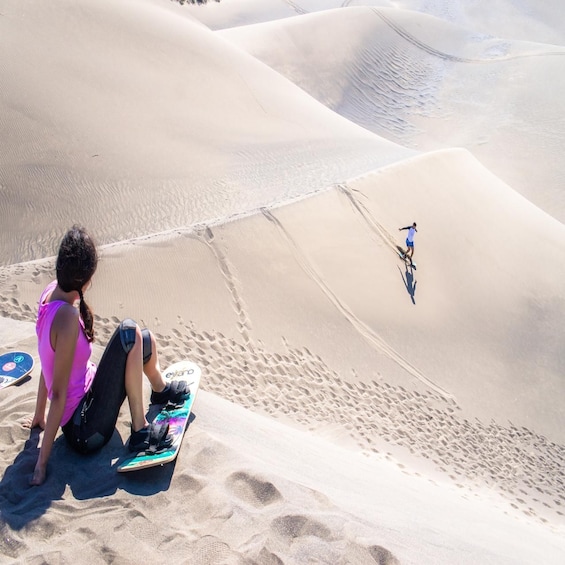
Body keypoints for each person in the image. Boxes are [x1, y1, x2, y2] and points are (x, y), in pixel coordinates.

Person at [26, 225, 189, 486]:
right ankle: (139, 431)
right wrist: (41, 465)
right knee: (129, 332)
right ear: (86, 279)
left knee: (144, 339)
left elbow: (48, 362)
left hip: (90, 402)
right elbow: (58, 392)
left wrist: (38, 417)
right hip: (84, 430)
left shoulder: (50, 293)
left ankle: (159, 389)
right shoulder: (66, 318)